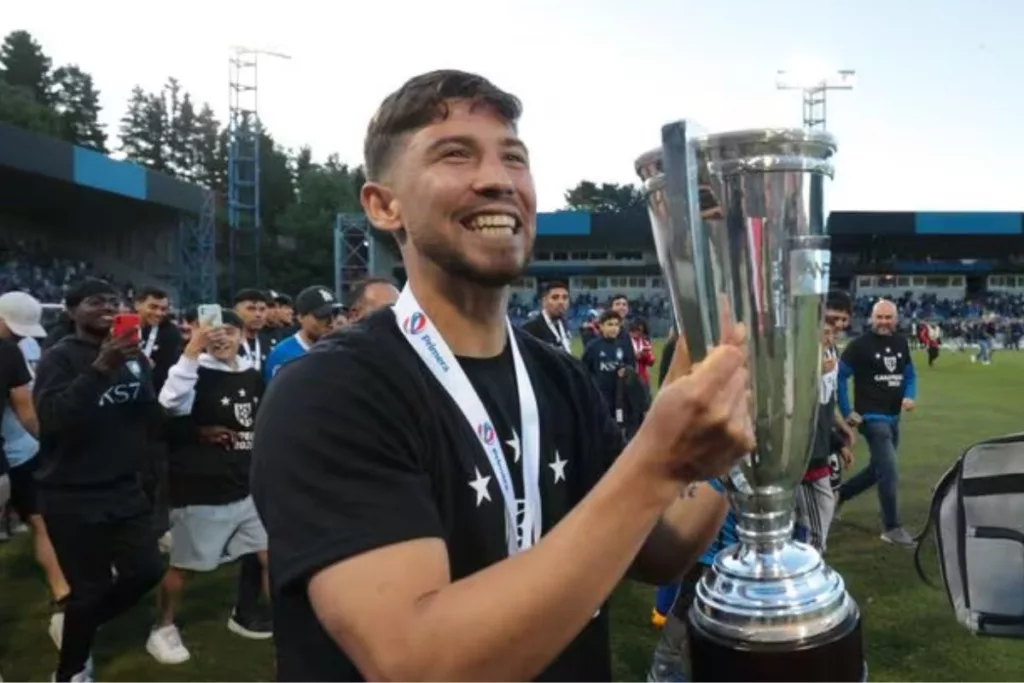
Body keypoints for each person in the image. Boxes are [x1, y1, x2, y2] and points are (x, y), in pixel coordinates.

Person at [251, 69, 753, 682]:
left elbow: (661, 551)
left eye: (514, 158)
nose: (497, 179)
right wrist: (657, 464)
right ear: (385, 205)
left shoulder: (558, 378)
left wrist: (718, 419)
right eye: (455, 154)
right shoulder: (330, 391)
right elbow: (417, 663)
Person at [33, 278, 166, 682]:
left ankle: (80, 623)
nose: (107, 305)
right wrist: (99, 368)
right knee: (88, 589)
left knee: (146, 570)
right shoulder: (60, 357)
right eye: (95, 300)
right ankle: (71, 670)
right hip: (72, 492)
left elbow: (147, 416)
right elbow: (53, 420)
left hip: (124, 487)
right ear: (72, 311)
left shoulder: (132, 355)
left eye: (113, 299)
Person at [146, 311, 270, 664]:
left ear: (241, 335)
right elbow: (168, 404)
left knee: (269, 555)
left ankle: (291, 622)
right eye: (212, 333)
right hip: (202, 488)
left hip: (246, 486)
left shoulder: (250, 373)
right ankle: (163, 627)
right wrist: (190, 352)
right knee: (185, 564)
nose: (220, 338)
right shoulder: (192, 371)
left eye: (228, 331)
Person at [0, 292, 69, 639]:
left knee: (41, 521)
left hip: (18, 451)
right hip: (18, 450)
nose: (19, 335)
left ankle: (61, 590)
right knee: (40, 521)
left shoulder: (12, 349)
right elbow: (25, 410)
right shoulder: (9, 350)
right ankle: (61, 591)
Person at [836, 299, 917, 547]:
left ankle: (839, 495)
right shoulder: (859, 346)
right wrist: (848, 412)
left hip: (893, 417)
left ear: (895, 319)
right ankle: (891, 527)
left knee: (877, 470)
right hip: (871, 419)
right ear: (871, 318)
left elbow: (910, 374)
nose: (883, 322)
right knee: (889, 470)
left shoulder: (901, 343)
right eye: (879, 317)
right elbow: (839, 378)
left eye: (888, 317)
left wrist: (910, 395)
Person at [793, 319, 851, 552]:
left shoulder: (828, 362)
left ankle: (809, 552)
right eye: (824, 333)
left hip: (819, 449)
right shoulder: (801, 364)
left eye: (832, 334)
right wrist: (815, 373)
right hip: (804, 453)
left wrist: (839, 442)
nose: (829, 338)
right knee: (815, 511)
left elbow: (824, 412)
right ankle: (813, 558)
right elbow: (798, 408)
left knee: (822, 504)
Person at [263, 286, 339, 381]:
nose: (331, 322)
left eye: (335, 314)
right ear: (301, 317)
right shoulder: (284, 356)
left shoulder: (341, 351)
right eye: (322, 316)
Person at [521, 281, 572, 352]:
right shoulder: (529, 330)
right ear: (544, 301)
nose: (561, 302)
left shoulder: (564, 324)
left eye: (565, 297)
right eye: (555, 297)